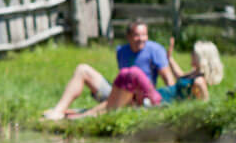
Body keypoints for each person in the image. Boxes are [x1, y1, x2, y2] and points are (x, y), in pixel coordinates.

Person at [42, 20, 174, 121]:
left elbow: (168, 78)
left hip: (140, 98)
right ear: (128, 37)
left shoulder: (156, 50)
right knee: (82, 69)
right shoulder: (122, 51)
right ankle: (59, 110)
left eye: (144, 35)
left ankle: (85, 115)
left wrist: (170, 104)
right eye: (137, 35)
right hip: (121, 92)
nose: (141, 39)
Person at [72, 39, 223, 118]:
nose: (191, 55)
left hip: (159, 102)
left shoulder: (199, 81)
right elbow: (179, 76)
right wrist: (169, 58)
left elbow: (204, 106)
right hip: (158, 97)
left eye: (194, 53)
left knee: (133, 76)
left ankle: (83, 115)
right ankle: (80, 113)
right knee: (122, 101)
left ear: (202, 58)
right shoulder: (193, 74)